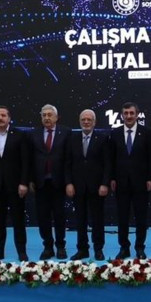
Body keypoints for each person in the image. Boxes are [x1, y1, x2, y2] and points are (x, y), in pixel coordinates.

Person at [0, 106, 31, 261]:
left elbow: (26, 161)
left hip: (16, 186)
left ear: (9, 118)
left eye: (3, 115)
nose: (0, 118)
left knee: (18, 221)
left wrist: (24, 183)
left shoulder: (20, 135)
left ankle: (21, 251)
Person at [109, 102, 151, 260]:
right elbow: (110, 159)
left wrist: (150, 178)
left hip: (141, 182)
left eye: (131, 113)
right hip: (121, 183)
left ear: (137, 115)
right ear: (122, 115)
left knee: (141, 218)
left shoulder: (146, 133)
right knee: (122, 217)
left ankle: (140, 247)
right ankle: (124, 248)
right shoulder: (115, 133)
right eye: (126, 113)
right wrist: (112, 178)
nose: (128, 116)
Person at [65, 109, 111, 261]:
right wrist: (69, 183)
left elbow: (107, 164)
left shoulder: (103, 138)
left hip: (97, 187)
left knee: (97, 220)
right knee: (80, 220)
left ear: (94, 122)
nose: (86, 122)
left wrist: (105, 184)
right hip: (77, 187)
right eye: (83, 119)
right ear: (79, 121)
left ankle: (98, 249)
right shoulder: (72, 138)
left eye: (89, 119)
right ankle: (82, 250)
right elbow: (67, 163)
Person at [29, 104, 69, 260]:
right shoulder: (34, 133)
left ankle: (60, 246)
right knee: (43, 217)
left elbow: (69, 158)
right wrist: (30, 180)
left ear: (56, 117)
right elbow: (29, 159)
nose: (47, 118)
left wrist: (69, 181)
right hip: (40, 183)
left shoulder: (66, 132)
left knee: (59, 216)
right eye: (44, 115)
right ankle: (48, 246)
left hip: (59, 182)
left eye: (49, 115)